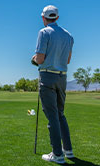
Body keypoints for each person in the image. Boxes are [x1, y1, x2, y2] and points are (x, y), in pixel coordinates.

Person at [32, 5, 74, 164]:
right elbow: (68, 60)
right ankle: (68, 150)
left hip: (47, 77)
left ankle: (57, 154)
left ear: (44, 18)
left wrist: (34, 59)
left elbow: (40, 59)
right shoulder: (68, 35)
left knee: (52, 117)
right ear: (56, 17)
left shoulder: (44, 33)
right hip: (62, 78)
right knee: (60, 114)